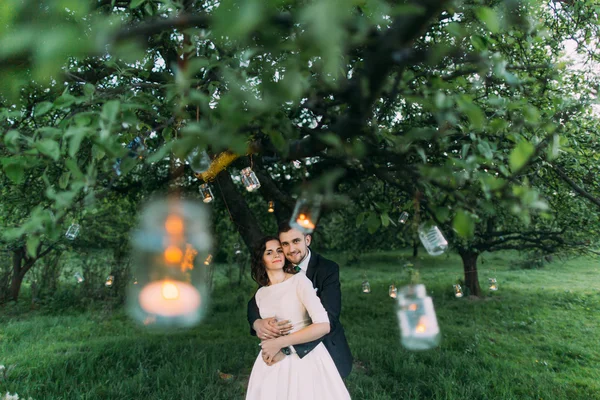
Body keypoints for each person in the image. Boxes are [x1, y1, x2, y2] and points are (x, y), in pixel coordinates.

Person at [246, 236, 351, 399]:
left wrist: (280, 343)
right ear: (261, 259)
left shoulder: (299, 281)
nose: (276, 255)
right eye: (269, 252)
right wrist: (260, 325)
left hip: (305, 358)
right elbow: (255, 313)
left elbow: (324, 325)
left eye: (279, 250)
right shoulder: (260, 293)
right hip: (271, 361)